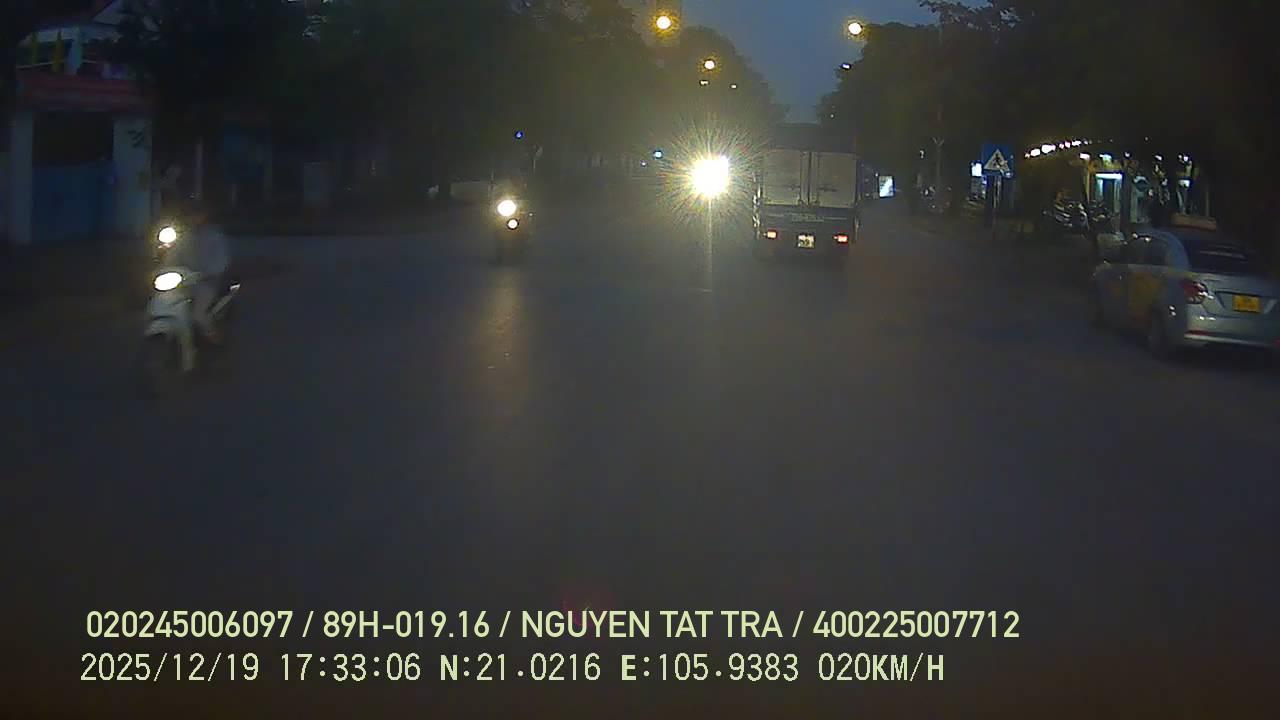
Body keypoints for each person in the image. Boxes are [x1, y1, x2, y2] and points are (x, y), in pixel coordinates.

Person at [168, 196, 231, 344]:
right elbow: (172, 257)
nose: (193, 218)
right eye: (190, 214)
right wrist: (164, 269)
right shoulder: (183, 236)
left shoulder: (214, 235)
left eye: (197, 214)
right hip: (183, 281)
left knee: (198, 314)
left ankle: (212, 335)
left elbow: (221, 261)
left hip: (207, 282)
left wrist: (207, 273)